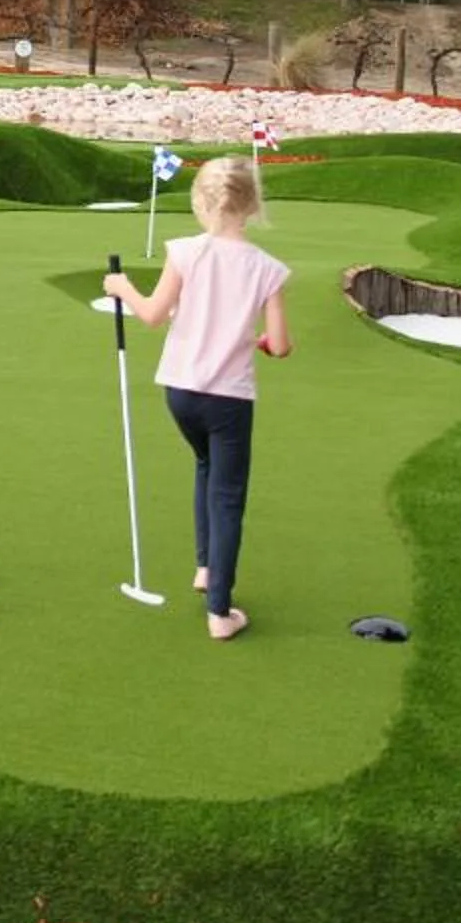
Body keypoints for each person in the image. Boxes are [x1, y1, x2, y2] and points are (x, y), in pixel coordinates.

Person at [101, 153, 291, 640]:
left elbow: (152, 314)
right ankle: (219, 612)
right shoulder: (268, 270)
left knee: (205, 467)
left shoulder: (185, 251)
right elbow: (281, 345)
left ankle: (206, 568)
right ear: (251, 207)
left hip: (181, 392)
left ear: (201, 205)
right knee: (228, 497)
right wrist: (264, 342)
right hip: (228, 399)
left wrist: (123, 287)